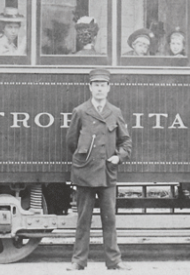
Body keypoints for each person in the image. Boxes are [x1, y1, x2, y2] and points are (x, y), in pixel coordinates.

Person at [66, 69, 132, 271]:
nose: (100, 89)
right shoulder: (80, 111)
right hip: (85, 173)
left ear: (108, 88)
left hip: (107, 173)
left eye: (103, 85)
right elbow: (71, 142)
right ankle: (78, 261)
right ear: (90, 88)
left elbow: (126, 142)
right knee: (83, 220)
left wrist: (118, 157)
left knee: (109, 220)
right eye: (96, 85)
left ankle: (114, 261)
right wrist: (84, 158)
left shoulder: (115, 112)